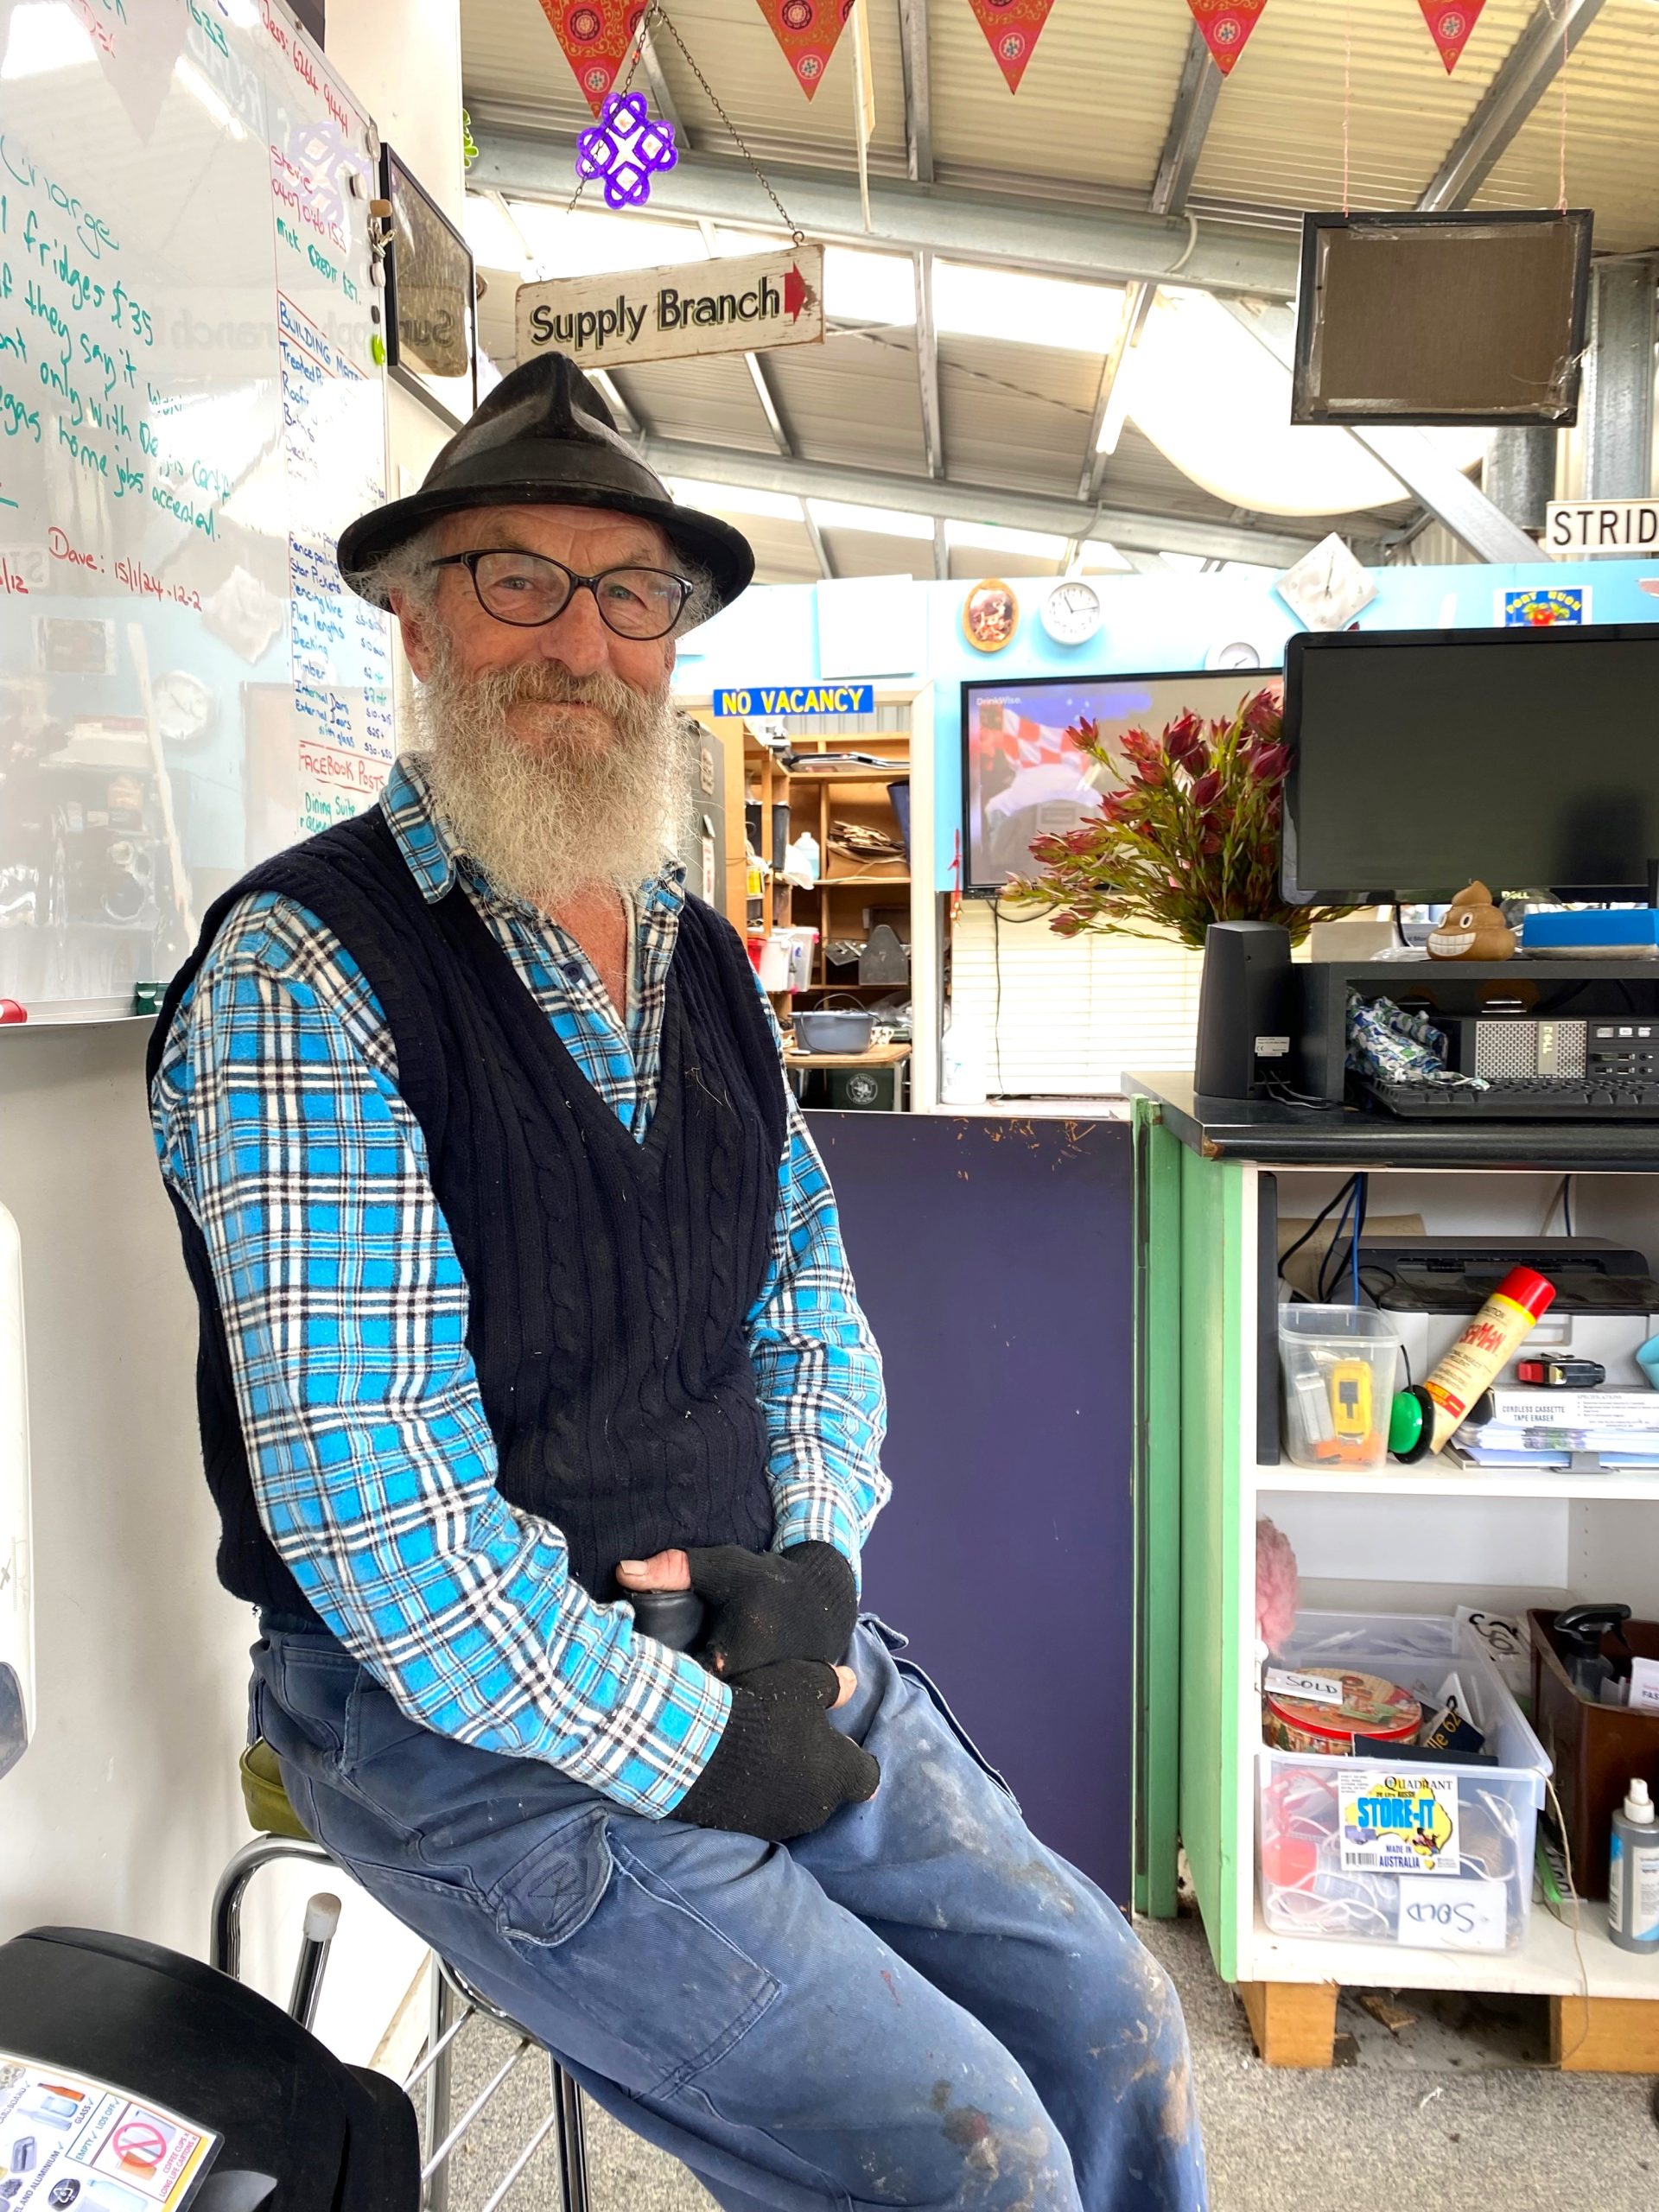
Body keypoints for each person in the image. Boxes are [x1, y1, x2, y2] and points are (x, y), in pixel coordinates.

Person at [148, 355, 1205, 2212]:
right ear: (413, 618)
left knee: (1117, 2019)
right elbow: (378, 1515)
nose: (583, 640)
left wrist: (809, 1584)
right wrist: (705, 1738)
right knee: (976, 2164)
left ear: (678, 635)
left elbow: (803, 1294)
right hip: (458, 1725)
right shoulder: (303, 973)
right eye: (519, 580)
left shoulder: (698, 956)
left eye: (632, 594)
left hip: (750, 1640)